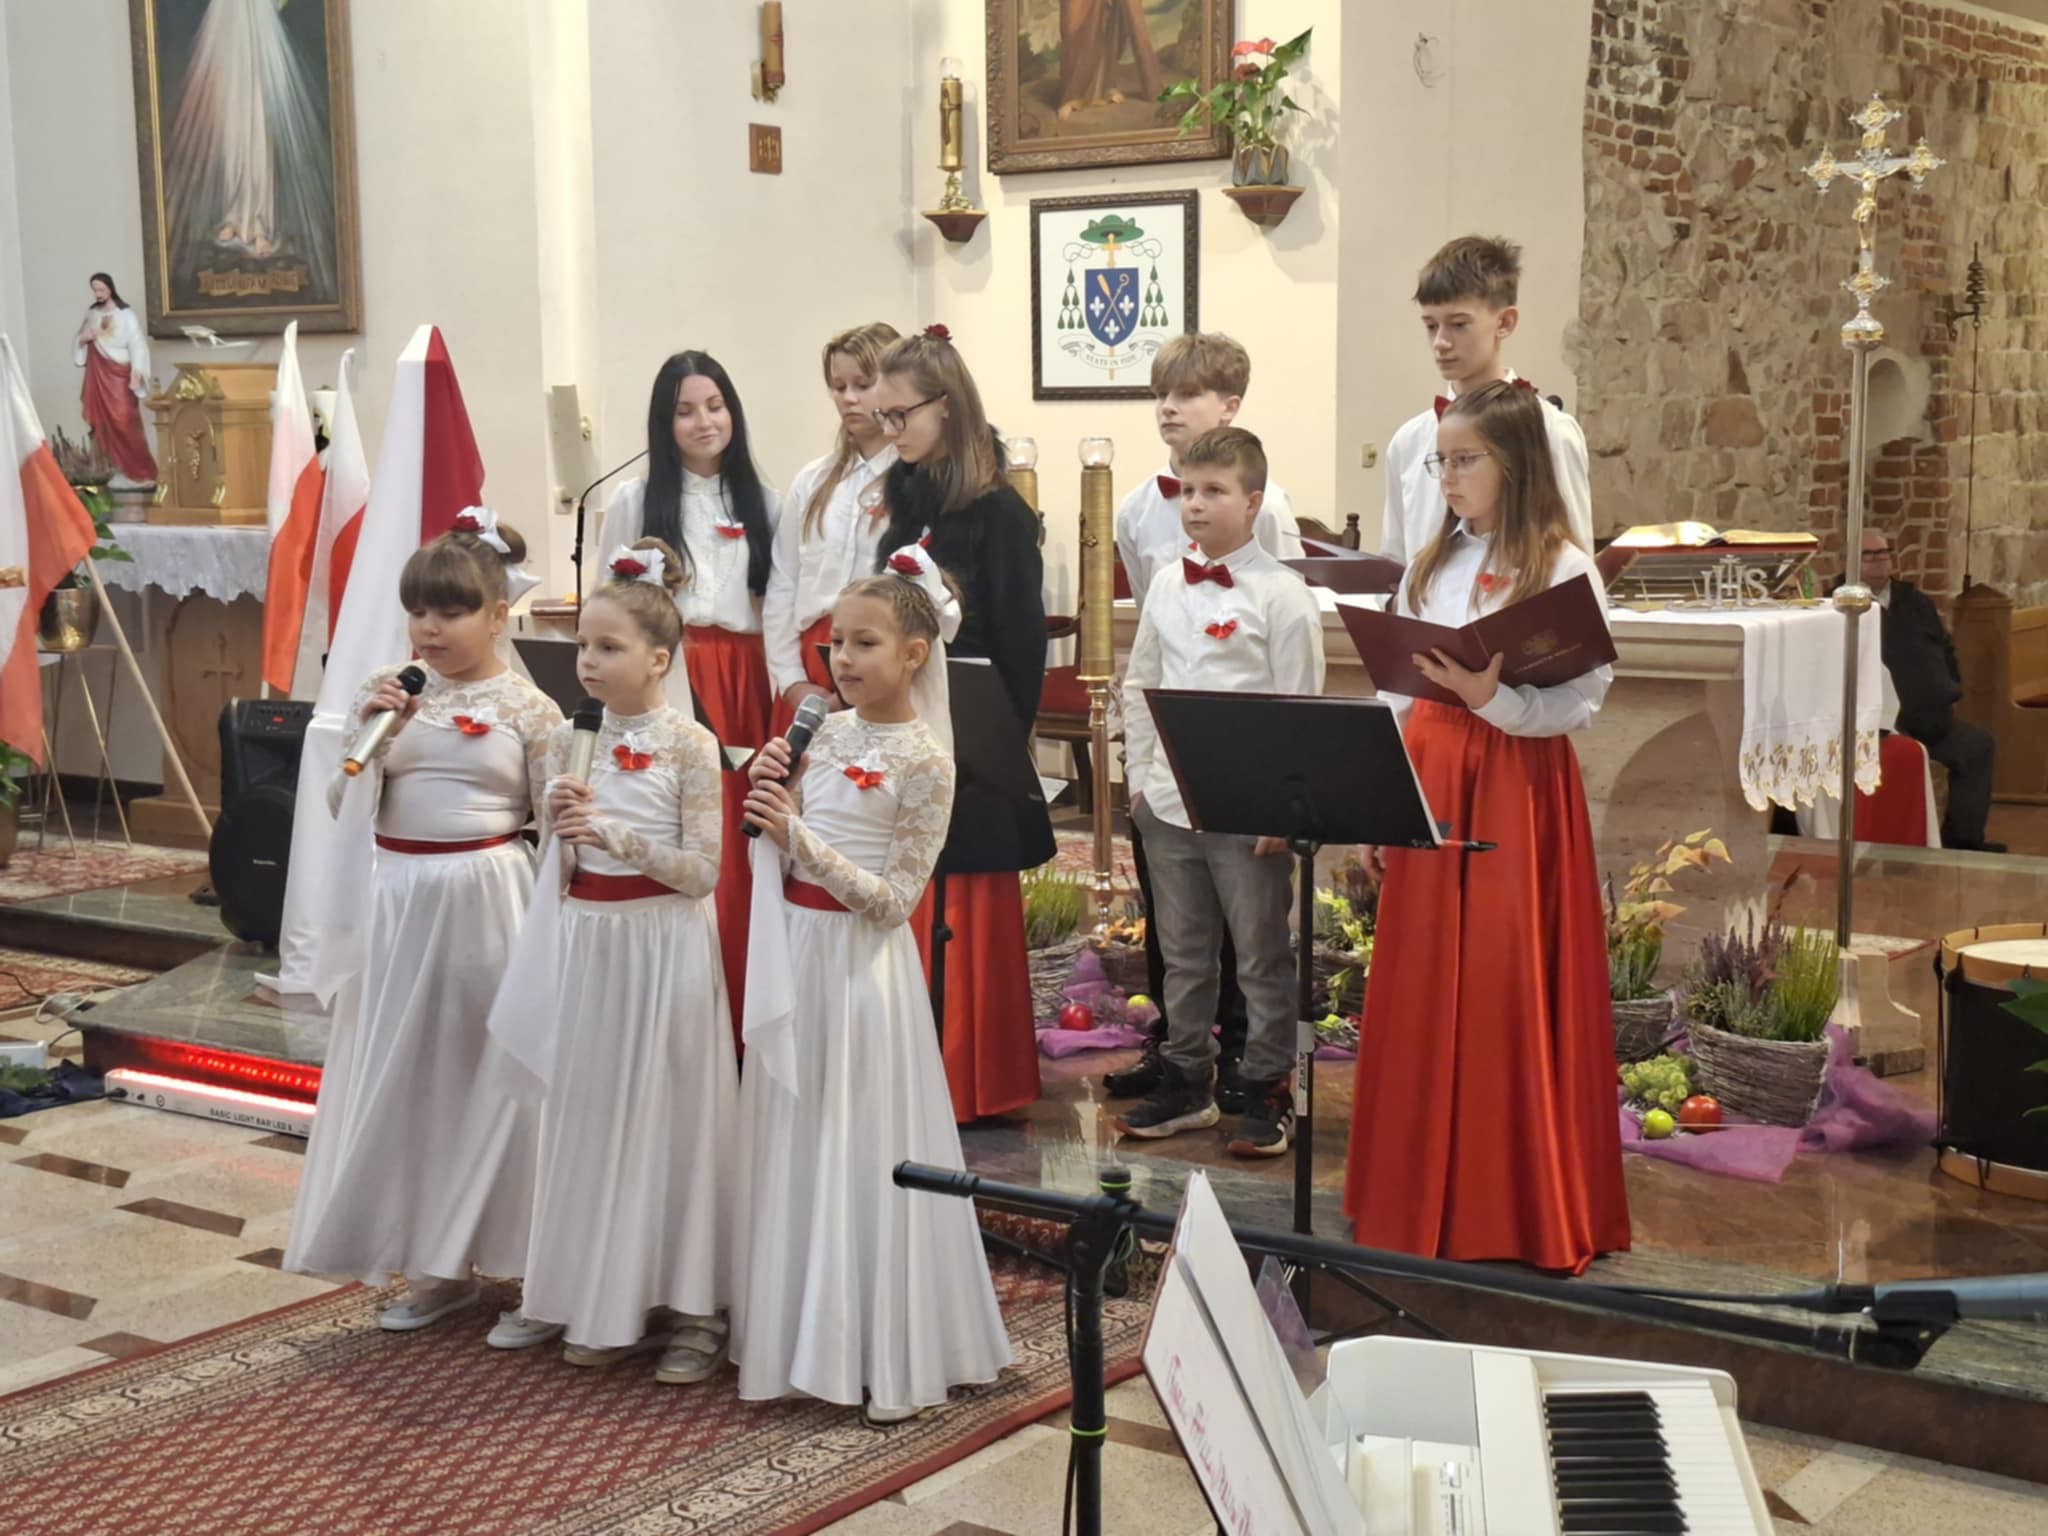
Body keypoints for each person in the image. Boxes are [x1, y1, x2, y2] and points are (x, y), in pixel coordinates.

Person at [1345, 381, 1629, 1276]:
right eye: (1441, 462)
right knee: (1423, 974)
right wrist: (1379, 797)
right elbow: (1396, 689)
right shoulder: (1431, 563)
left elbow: (1582, 700)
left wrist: (1492, 698)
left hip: (1514, 781)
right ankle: (1409, 1195)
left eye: (1464, 460)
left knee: (1508, 979)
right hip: (1431, 770)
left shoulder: (1562, 566)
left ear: (1516, 464)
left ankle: (1513, 1203)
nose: (1448, 478)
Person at [734, 549, 1012, 1422]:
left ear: (915, 654)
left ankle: (879, 1350)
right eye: (835, 643)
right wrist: (771, 800)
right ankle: (794, 1335)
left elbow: (894, 902)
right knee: (799, 1139)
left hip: (860, 972)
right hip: (798, 953)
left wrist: (799, 839)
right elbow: (781, 846)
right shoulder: (821, 733)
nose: (842, 659)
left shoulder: (928, 761)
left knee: (854, 1143)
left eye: (864, 643)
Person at [284, 515, 563, 1331]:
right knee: (413, 1078)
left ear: (497, 615)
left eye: (451, 612)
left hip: (488, 897)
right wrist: (379, 739)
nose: (430, 629)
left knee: (496, 1078)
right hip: (400, 899)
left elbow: (555, 822)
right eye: (419, 612)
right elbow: (339, 798)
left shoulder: (531, 708)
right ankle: (437, 1264)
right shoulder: (391, 689)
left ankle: (532, 1267)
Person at [482, 539, 739, 1379]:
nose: (587, 662)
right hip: (589, 943)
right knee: (586, 1114)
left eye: (608, 647)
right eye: (583, 646)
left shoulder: (691, 745)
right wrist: (555, 834)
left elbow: (702, 872)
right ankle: (580, 1291)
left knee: (666, 1117)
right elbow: (558, 867)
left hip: (663, 945)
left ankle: (692, 1306)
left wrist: (617, 834)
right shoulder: (568, 739)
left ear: (659, 659)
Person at [1115, 427, 1325, 1156]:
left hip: (1248, 810)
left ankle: (1268, 1084)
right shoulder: (1167, 583)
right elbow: (1141, 684)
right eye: (1187, 490)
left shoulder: (1284, 596)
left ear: (1254, 501)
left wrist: (1281, 806)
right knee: (1183, 954)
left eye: (1214, 491)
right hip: (1169, 803)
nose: (1195, 505)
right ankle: (1188, 1080)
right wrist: (1140, 784)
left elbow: (1298, 710)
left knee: (1262, 955)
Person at [873, 325, 1052, 1122]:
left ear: (945, 407)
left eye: (900, 414)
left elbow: (1020, 644)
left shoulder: (1000, 514)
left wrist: (993, 749)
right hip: (904, 732)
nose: (890, 430)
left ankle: (970, 1080)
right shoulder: (905, 503)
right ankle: (903, 1073)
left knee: (965, 909)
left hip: (972, 744)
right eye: (882, 416)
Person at [596, 351, 779, 1026]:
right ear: (663, 422)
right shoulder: (634, 500)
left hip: (743, 680)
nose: (704, 422)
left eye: (715, 406)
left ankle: (744, 1005)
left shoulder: (765, 501)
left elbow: (778, 604)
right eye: (685, 411)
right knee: (679, 823)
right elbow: (610, 603)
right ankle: (683, 1007)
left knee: (739, 833)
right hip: (669, 672)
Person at [1379, 236, 1593, 567]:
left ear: (1504, 323)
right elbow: (1395, 560)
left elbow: (1575, 556)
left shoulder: (1550, 431)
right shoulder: (1409, 441)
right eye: (1431, 326)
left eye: (1458, 324)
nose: (1440, 342)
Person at [763, 321, 900, 738]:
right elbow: (783, 582)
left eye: (863, 384)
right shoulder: (813, 479)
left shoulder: (912, 480)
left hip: (881, 662)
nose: (849, 398)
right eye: (839, 387)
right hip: (810, 664)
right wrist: (791, 681)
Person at [1859, 527, 2000, 852]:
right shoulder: (1845, 605)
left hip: (1935, 715)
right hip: (1891, 723)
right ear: (1852, 560)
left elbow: (1945, 646)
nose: (1879, 560)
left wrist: (1950, 685)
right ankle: (1904, 847)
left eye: (1884, 552)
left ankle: (1964, 841)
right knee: (1905, 756)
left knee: (1978, 746)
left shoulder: (1914, 601)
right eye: (1869, 554)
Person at [73, 273, 155, 486]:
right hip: (97, 372)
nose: (97, 294)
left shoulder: (126, 315)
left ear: (110, 288)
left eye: (101, 289)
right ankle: (111, 468)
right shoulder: (92, 313)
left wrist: (137, 371)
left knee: (124, 420)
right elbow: (80, 337)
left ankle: (138, 471)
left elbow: (137, 343)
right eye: (95, 290)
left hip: (119, 374)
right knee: (101, 423)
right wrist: (83, 339)